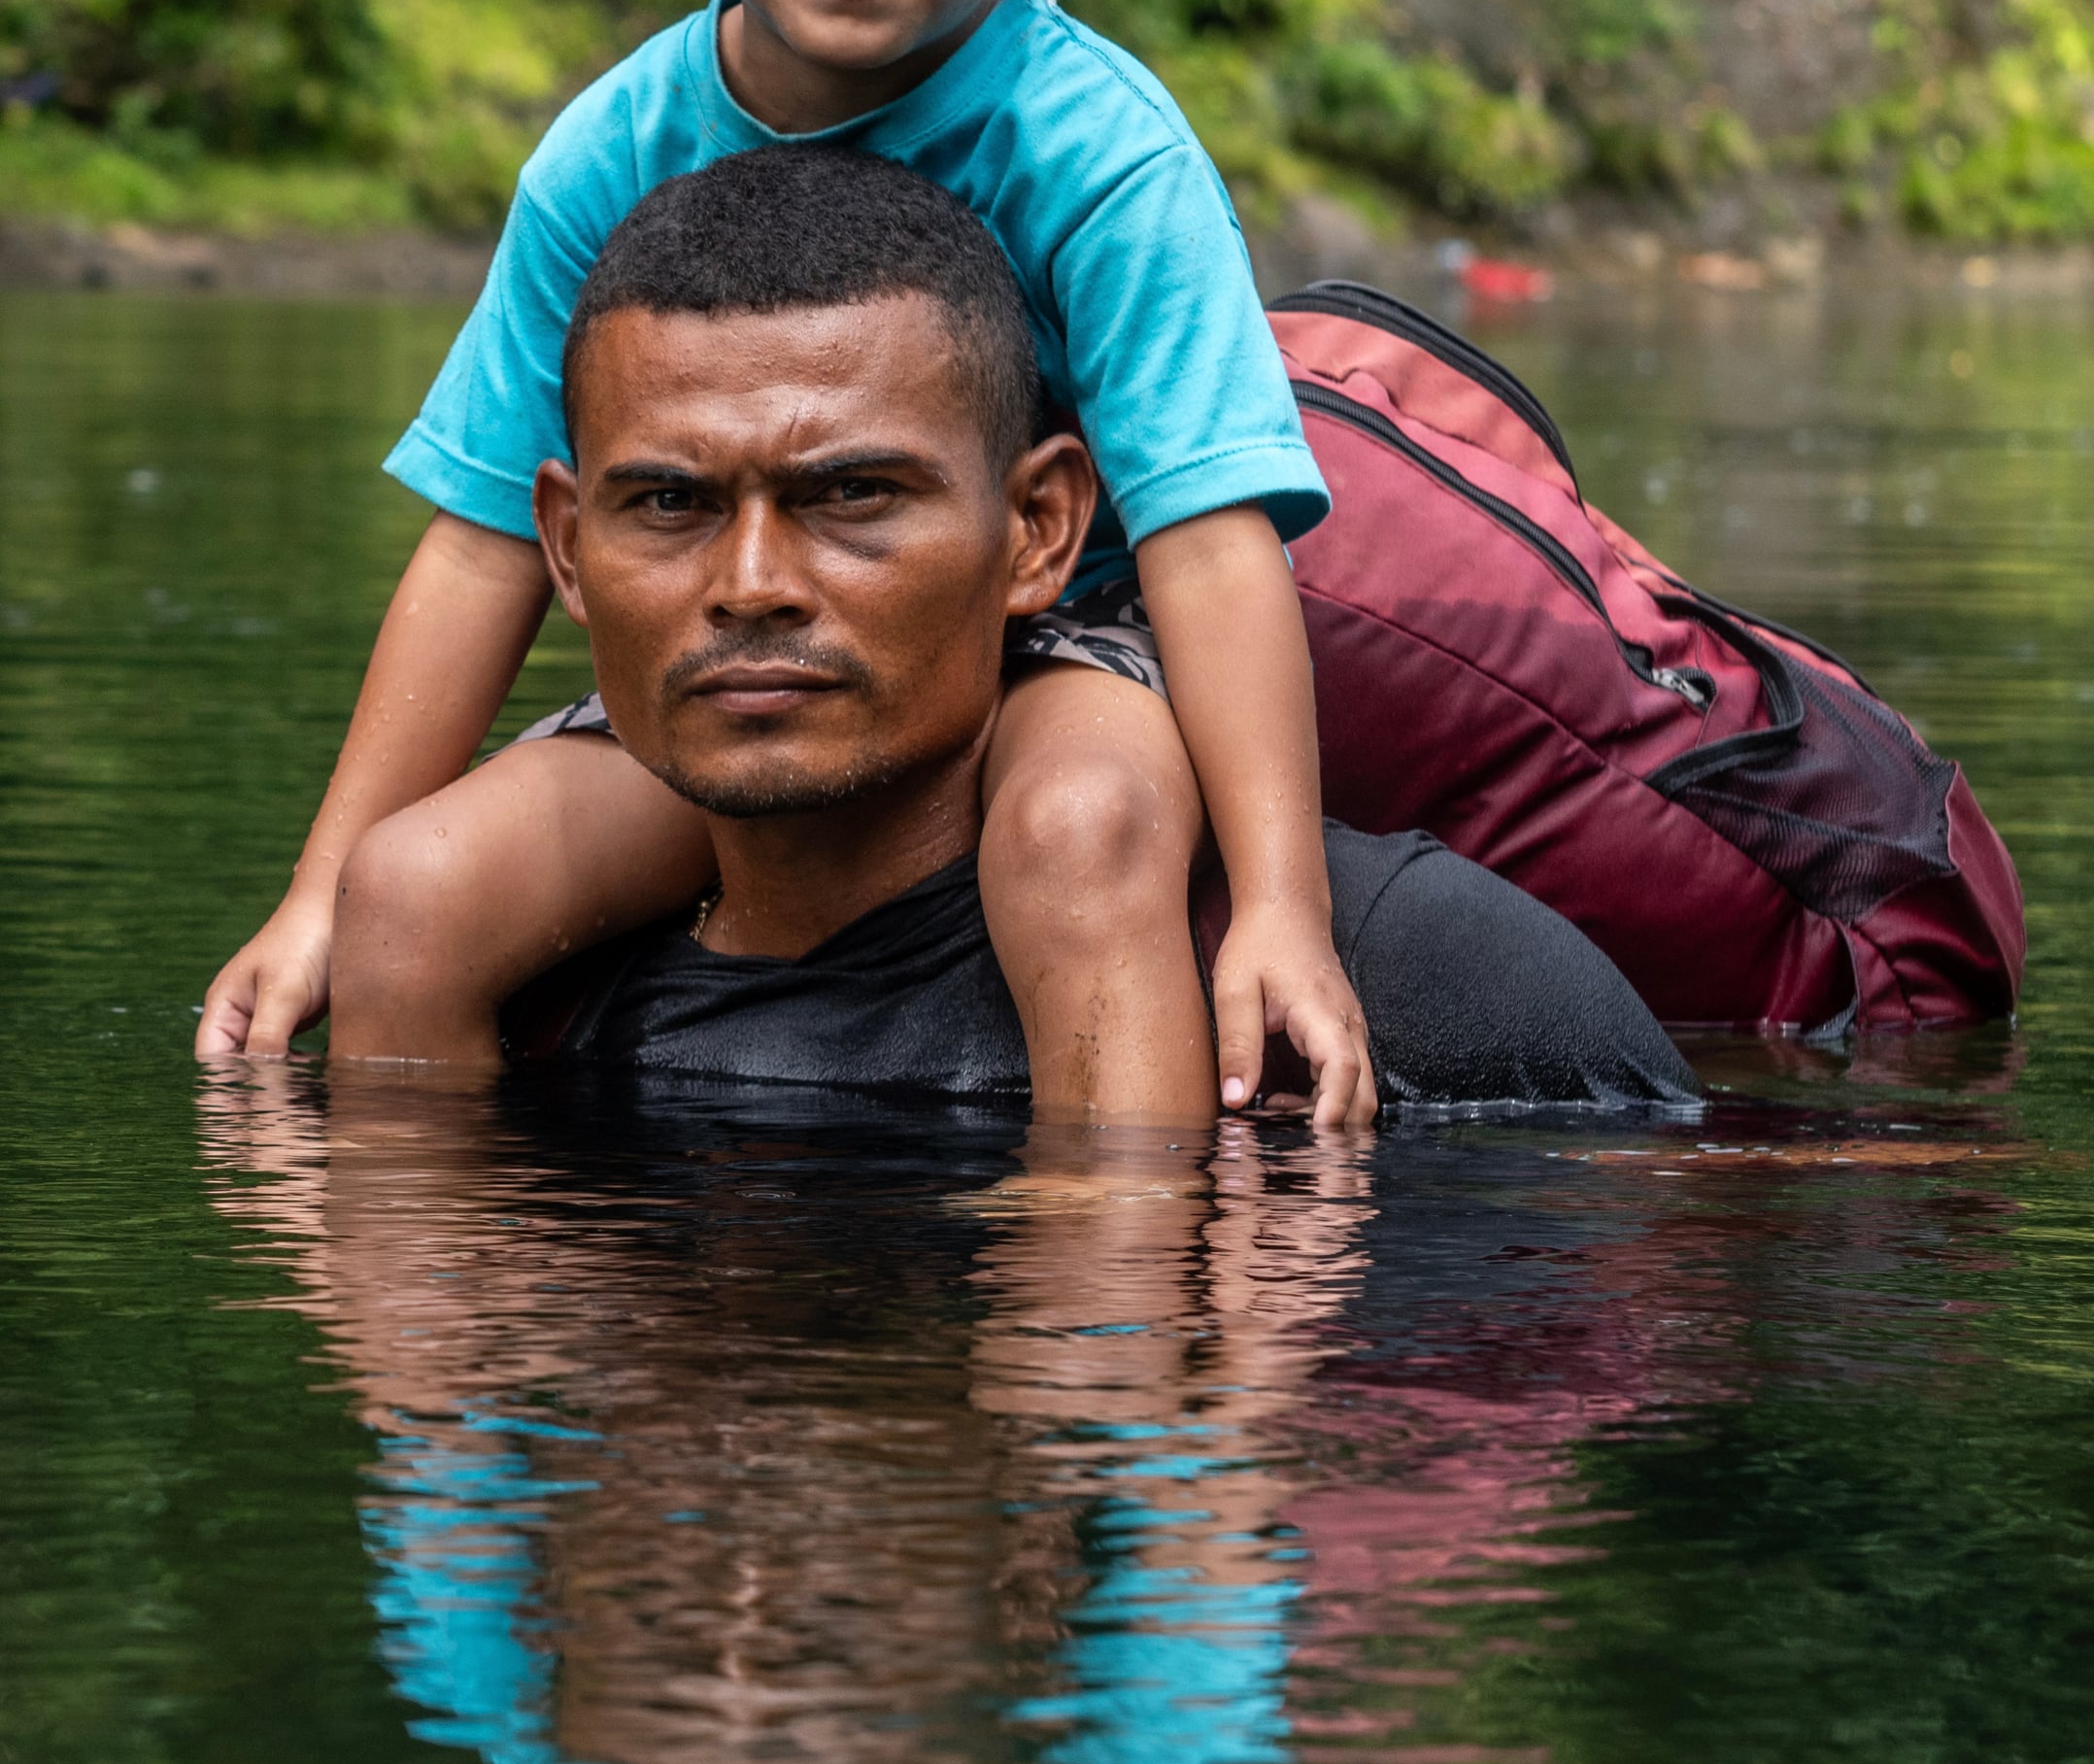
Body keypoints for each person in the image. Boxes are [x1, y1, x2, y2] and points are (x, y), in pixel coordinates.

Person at [195, 0, 1372, 1126]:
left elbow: (1205, 534)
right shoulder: (612, 151)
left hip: (1056, 653)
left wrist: (1278, 913)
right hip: (735, 671)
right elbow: (482, 534)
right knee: (417, 893)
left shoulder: (1102, 155)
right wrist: (319, 892)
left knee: (1075, 836)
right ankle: (452, 1344)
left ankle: (1110, 1327)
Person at [388, 146, 1698, 1118]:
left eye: (853, 497)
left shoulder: (1411, 980)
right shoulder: (509, 994)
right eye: (667, 504)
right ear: (563, 548)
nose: (750, 584)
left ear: (1038, 534)